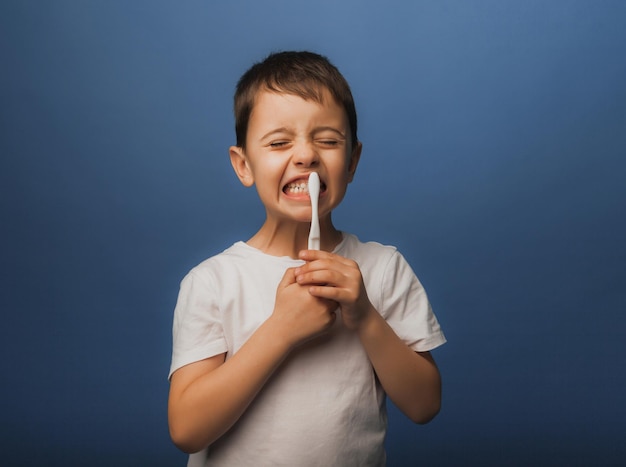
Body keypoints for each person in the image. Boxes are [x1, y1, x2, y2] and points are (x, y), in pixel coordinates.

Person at [168, 50, 446, 467]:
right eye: (280, 142)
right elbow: (187, 429)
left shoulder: (383, 269)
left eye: (329, 141)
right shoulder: (213, 281)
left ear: (351, 162)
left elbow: (425, 405)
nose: (306, 156)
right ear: (243, 165)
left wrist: (365, 317)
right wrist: (281, 330)